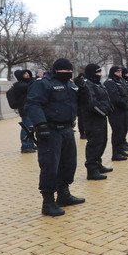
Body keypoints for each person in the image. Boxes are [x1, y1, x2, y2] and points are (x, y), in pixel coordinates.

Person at [25, 58, 84, 217]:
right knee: (50, 165)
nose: (68, 74)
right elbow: (33, 104)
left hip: (67, 129)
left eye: (70, 71)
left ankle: (64, 194)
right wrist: (41, 124)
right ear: (57, 70)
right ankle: (48, 202)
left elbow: (80, 104)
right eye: (65, 71)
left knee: (68, 163)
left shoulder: (70, 85)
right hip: (50, 130)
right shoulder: (42, 83)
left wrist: (84, 89)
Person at [105, 66, 128, 156]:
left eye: (121, 72)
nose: (120, 74)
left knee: (124, 129)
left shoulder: (120, 81)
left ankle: (121, 150)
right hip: (116, 111)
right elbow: (115, 97)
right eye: (118, 72)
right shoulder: (110, 82)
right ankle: (116, 153)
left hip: (124, 110)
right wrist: (125, 103)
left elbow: (127, 93)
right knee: (118, 131)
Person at [10, 69, 37, 153]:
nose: (27, 74)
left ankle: (31, 143)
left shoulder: (28, 82)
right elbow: (29, 85)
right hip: (24, 108)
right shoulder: (19, 85)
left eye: (28, 73)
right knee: (26, 127)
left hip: (30, 107)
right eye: (25, 74)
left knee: (31, 127)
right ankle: (25, 145)